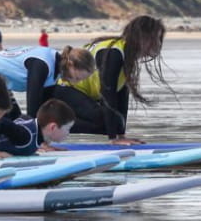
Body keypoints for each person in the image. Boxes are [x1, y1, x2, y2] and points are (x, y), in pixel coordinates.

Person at [52, 15, 171, 144]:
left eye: (160, 39)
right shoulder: (114, 52)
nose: (159, 44)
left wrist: (121, 134)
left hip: (83, 94)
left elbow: (121, 97)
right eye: (156, 38)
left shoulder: (128, 57)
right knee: (108, 121)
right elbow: (107, 94)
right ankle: (50, 124)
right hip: (64, 89)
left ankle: (57, 124)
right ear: (143, 37)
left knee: (116, 122)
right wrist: (113, 138)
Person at [0, 44, 96, 119]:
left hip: (0, 83)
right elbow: (33, 103)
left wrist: (44, 138)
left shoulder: (55, 72)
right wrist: (37, 140)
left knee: (16, 119)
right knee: (2, 117)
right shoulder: (43, 64)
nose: (77, 82)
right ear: (71, 64)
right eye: (78, 78)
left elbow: (44, 108)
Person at [0, 98, 75, 158]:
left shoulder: (36, 131)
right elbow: (0, 123)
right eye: (67, 128)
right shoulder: (25, 136)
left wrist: (43, 143)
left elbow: (21, 118)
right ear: (52, 127)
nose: (68, 133)